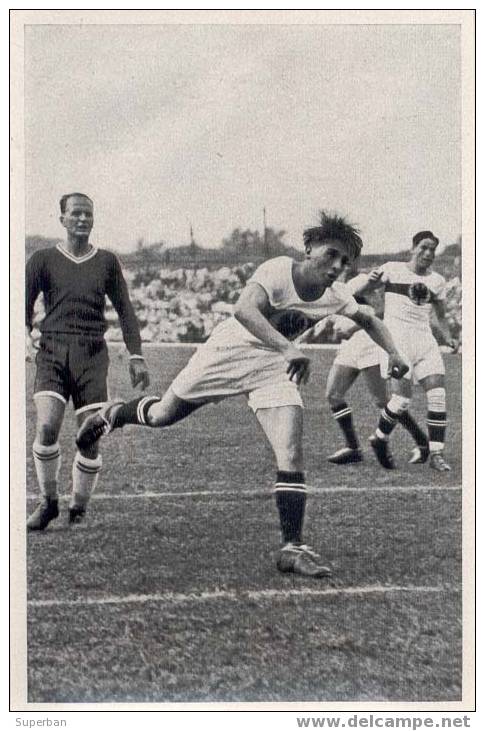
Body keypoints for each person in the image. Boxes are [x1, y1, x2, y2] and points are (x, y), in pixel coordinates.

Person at [77, 211, 408, 578]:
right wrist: (287, 348)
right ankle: (112, 415)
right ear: (310, 246)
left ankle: (292, 548)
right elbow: (243, 310)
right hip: (228, 353)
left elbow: (370, 319)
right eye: (331, 254)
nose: (336, 266)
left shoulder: (335, 295)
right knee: (161, 416)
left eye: (345, 262)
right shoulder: (279, 269)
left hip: (272, 369)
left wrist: (395, 353)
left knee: (291, 449)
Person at [26, 193, 150, 530]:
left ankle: (78, 508)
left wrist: (136, 355)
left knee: (89, 436)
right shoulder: (42, 259)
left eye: (88, 214)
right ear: (62, 219)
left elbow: (125, 309)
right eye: (76, 213)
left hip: (92, 355)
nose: (82, 219)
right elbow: (21, 303)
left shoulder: (107, 261)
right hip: (52, 351)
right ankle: (48, 502)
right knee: (47, 426)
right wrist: (23, 338)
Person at [299, 270, 429, 465]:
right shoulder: (328, 290)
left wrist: (353, 325)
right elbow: (321, 319)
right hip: (350, 345)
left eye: (342, 262)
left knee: (381, 400)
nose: (335, 268)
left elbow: (374, 311)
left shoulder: (360, 281)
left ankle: (422, 442)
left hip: (369, 343)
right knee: (333, 394)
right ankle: (353, 448)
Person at [355, 231, 456, 471]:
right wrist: (370, 282)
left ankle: (436, 454)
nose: (428, 253)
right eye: (423, 247)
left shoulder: (437, 281)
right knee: (401, 400)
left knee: (438, 395)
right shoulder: (392, 269)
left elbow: (440, 315)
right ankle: (379, 438)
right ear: (412, 248)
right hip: (396, 343)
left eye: (432, 249)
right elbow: (359, 292)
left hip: (425, 342)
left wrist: (449, 337)